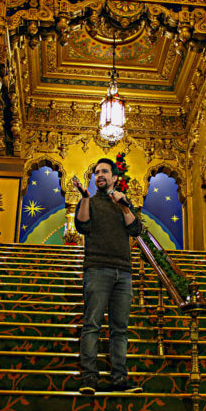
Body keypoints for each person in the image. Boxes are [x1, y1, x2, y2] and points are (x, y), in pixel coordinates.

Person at [73, 157, 143, 395]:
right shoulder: (89, 201)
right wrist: (84, 198)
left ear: (115, 177)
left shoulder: (124, 202)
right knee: (92, 325)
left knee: (120, 329)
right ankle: (89, 378)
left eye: (104, 172)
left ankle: (119, 379)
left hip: (123, 272)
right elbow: (82, 226)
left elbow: (135, 229)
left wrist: (124, 205)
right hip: (97, 268)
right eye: (96, 172)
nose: (99, 175)